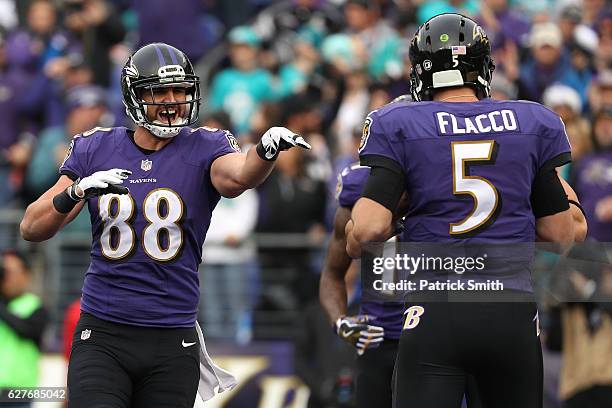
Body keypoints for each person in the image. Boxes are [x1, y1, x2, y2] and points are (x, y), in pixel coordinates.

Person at [19, 42, 310, 408]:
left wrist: (265, 152)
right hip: (104, 332)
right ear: (134, 95)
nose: (173, 100)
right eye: (160, 91)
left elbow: (239, 176)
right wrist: (75, 192)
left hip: (172, 338)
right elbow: (32, 226)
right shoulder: (96, 148)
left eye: (180, 90)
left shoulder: (206, 146)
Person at [346, 14, 579, 408]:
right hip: (510, 312)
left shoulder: (400, 123)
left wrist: (404, 212)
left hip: (435, 311)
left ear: (421, 70)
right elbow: (562, 235)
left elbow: (367, 231)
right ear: (483, 68)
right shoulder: (529, 122)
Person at [0, 249, 49, 408]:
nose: (6, 278)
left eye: (10, 272)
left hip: (17, 394)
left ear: (26, 275)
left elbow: (25, 330)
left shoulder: (35, 307)